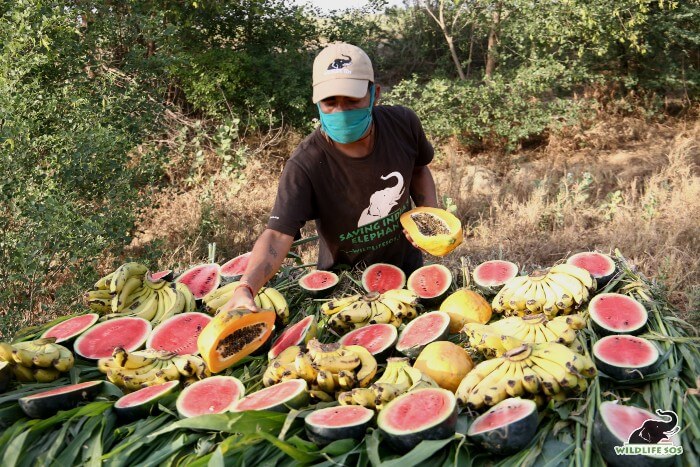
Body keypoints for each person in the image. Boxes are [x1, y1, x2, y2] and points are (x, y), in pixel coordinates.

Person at [224, 42, 438, 312]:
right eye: (330, 102)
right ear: (316, 102)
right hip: (343, 284)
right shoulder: (306, 163)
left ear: (375, 94)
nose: (341, 111)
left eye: (352, 101)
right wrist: (246, 288)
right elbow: (278, 235)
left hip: (407, 270)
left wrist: (430, 217)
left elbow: (418, 168)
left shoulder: (403, 124)